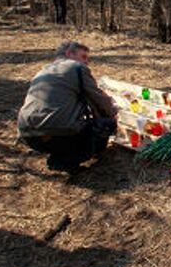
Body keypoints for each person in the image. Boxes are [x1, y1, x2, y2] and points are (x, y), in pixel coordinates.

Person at [18, 41, 118, 173]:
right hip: (56, 132)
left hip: (28, 134)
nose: (87, 62)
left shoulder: (44, 70)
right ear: (69, 53)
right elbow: (97, 97)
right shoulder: (76, 67)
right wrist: (114, 113)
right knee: (106, 124)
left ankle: (61, 154)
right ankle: (65, 160)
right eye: (83, 57)